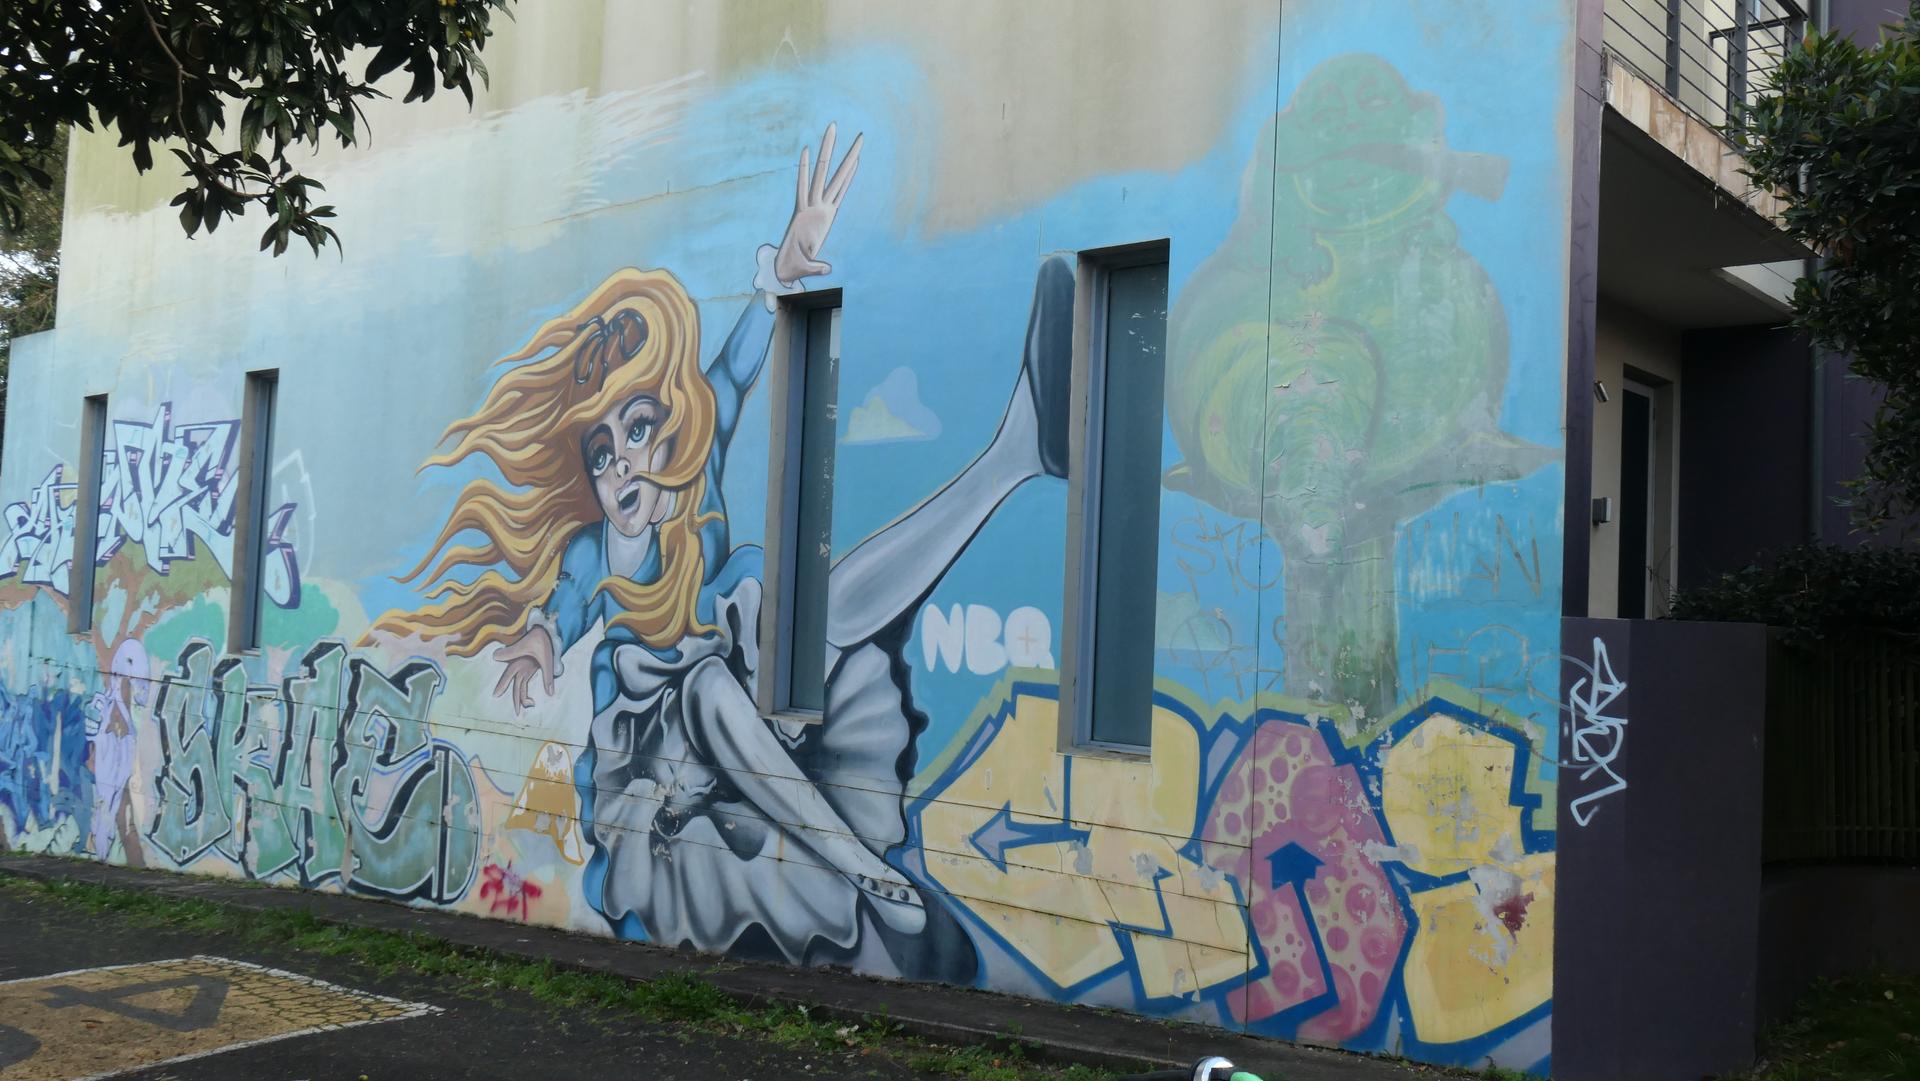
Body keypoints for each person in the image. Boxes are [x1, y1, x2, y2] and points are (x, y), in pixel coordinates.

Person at [375, 124, 1075, 965]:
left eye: (637, 430)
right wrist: (540, 637)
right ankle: (863, 869)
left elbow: (736, 371)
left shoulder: (696, 476)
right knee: (705, 682)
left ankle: (1017, 451)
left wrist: (784, 271)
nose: (621, 462)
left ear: (668, 427)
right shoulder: (598, 551)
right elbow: (564, 605)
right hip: (652, 766)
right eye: (601, 454)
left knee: (812, 609)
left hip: (744, 704)